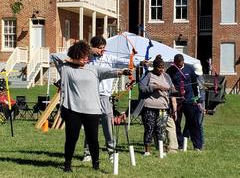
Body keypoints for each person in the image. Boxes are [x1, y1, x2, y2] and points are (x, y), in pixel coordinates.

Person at [51, 40, 131, 172]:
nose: (85, 59)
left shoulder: (94, 69)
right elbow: (54, 56)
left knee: (93, 138)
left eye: (86, 56)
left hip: (92, 110)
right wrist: (76, 59)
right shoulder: (66, 69)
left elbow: (111, 71)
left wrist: (123, 72)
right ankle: (67, 164)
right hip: (73, 110)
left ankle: (96, 164)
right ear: (76, 56)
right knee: (71, 138)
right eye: (82, 57)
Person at [83, 36, 141, 162]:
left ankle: (112, 152)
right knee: (90, 126)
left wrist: (136, 60)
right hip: (90, 95)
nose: (102, 50)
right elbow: (74, 53)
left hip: (104, 96)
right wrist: (89, 51)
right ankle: (87, 153)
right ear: (93, 47)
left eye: (104, 48)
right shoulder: (86, 57)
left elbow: (127, 62)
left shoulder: (109, 58)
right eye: (99, 48)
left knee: (108, 126)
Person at [133, 55, 177, 155]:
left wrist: (174, 91)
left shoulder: (166, 76)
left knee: (161, 129)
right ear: (154, 67)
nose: (161, 70)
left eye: (163, 68)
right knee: (149, 128)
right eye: (159, 68)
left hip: (163, 107)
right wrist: (155, 87)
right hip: (149, 106)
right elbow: (142, 88)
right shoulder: (148, 75)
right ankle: (147, 151)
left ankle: (162, 150)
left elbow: (172, 89)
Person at [166, 54, 203, 151]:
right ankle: (180, 144)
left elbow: (195, 85)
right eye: (176, 64)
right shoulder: (170, 70)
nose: (178, 66)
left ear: (183, 61)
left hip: (189, 100)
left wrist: (197, 99)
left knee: (193, 122)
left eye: (180, 64)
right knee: (176, 122)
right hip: (176, 101)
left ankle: (197, 145)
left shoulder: (189, 69)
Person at [183, 63, 205, 147]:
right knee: (191, 123)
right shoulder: (191, 78)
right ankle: (185, 139)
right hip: (193, 102)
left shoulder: (200, 79)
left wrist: (198, 102)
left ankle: (200, 143)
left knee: (198, 124)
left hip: (199, 103)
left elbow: (199, 94)